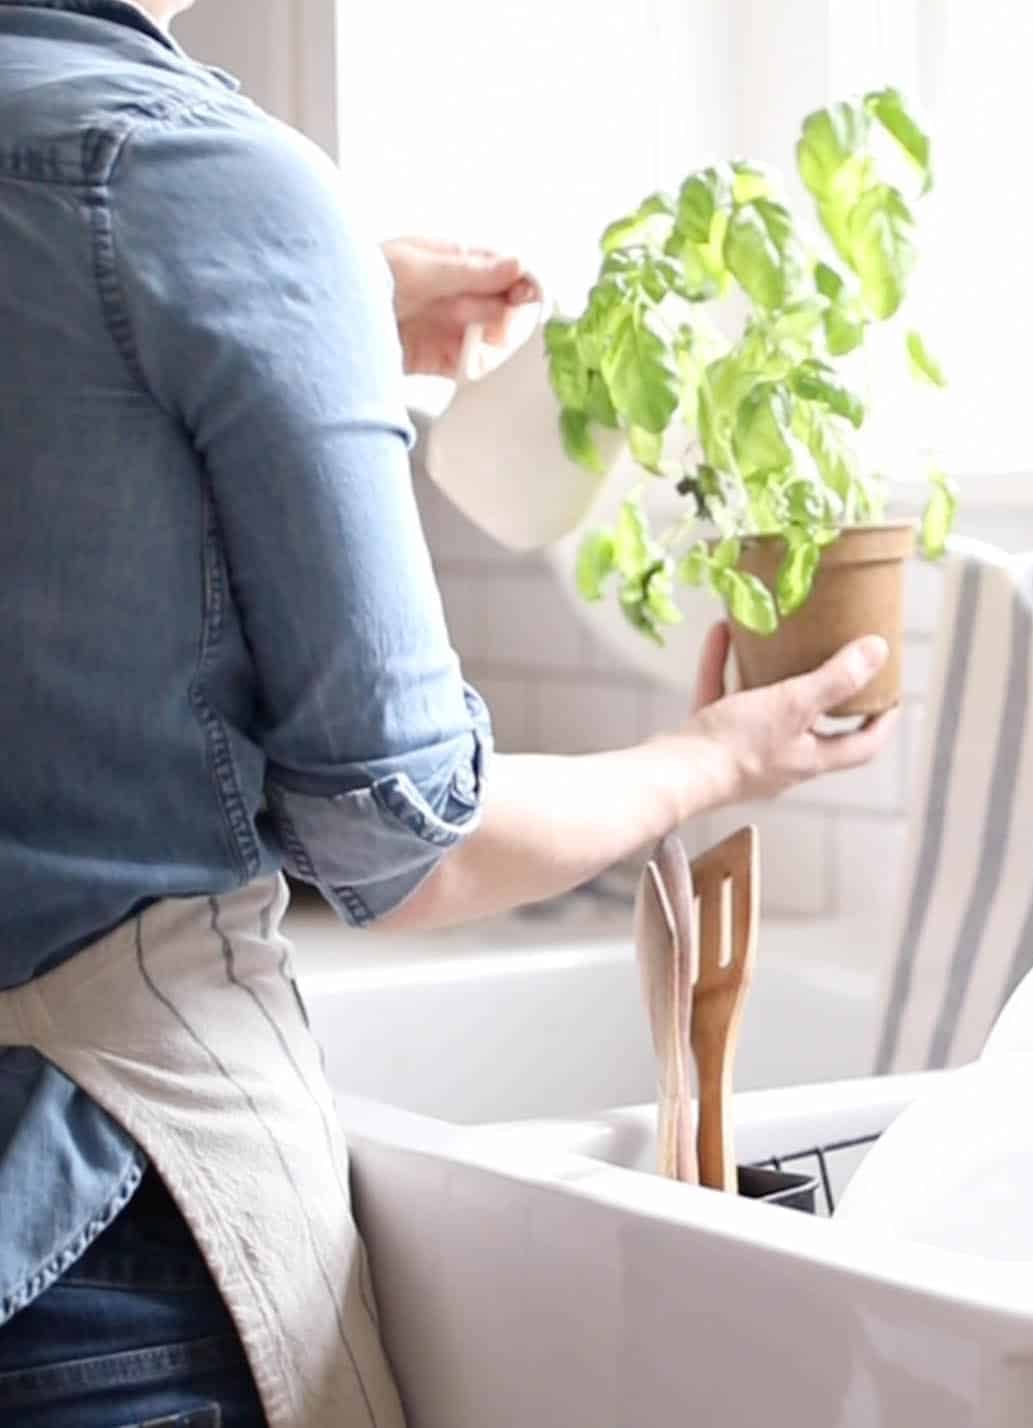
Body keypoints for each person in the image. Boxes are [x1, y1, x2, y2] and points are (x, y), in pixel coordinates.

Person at [0, 1, 897, 1423]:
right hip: (100, 1250)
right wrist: (717, 753)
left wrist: (328, 294)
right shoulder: (191, 176)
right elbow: (408, 837)